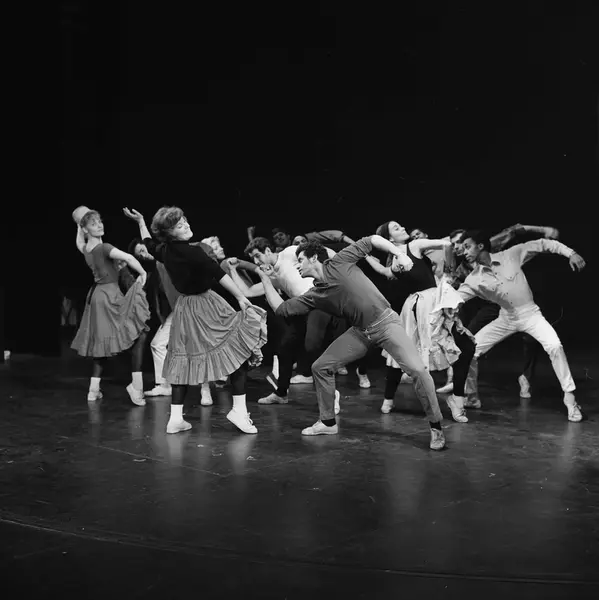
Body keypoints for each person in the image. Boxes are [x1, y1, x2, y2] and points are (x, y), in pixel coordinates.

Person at [255, 236, 447, 450]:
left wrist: (399, 254)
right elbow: (281, 309)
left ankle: (436, 426)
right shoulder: (315, 294)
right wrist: (265, 278)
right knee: (321, 367)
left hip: (386, 324)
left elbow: (373, 239)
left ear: (313, 258)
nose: (297, 265)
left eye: (300, 260)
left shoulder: (339, 261)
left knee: (418, 370)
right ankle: (328, 422)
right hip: (361, 332)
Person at [124, 206, 267, 435]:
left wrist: (141, 222)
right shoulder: (194, 252)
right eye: (180, 226)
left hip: (184, 309)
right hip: (205, 305)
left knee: (183, 361)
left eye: (185, 221)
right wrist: (241, 297)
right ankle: (239, 411)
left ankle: (175, 419)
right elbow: (219, 274)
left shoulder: (165, 250)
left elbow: (149, 243)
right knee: (237, 352)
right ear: (170, 233)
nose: (187, 226)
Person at [456, 230, 586, 422]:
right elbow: (454, 299)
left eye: (467, 247)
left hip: (530, 314)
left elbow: (544, 243)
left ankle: (570, 399)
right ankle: (472, 398)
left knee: (554, 346)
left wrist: (570, 253)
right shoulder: (474, 279)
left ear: (480, 246)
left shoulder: (511, 255)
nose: (463, 252)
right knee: (469, 352)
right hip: (506, 318)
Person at [367, 221, 475, 423]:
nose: (403, 228)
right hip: (424, 305)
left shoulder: (405, 253)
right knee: (460, 348)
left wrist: (449, 271)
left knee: (406, 352)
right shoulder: (408, 250)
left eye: (400, 226)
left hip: (422, 305)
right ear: (389, 239)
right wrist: (449, 271)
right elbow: (446, 244)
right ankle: (456, 401)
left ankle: (389, 401)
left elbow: (385, 272)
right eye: (396, 228)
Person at [71, 209, 150, 405]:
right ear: (86, 229)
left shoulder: (86, 249)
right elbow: (129, 258)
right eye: (93, 224)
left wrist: (80, 226)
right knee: (139, 335)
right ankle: (137, 387)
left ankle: (93, 390)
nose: (99, 225)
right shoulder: (104, 248)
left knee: (102, 343)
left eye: (100, 221)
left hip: (97, 296)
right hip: (109, 295)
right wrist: (143, 274)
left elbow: (79, 242)